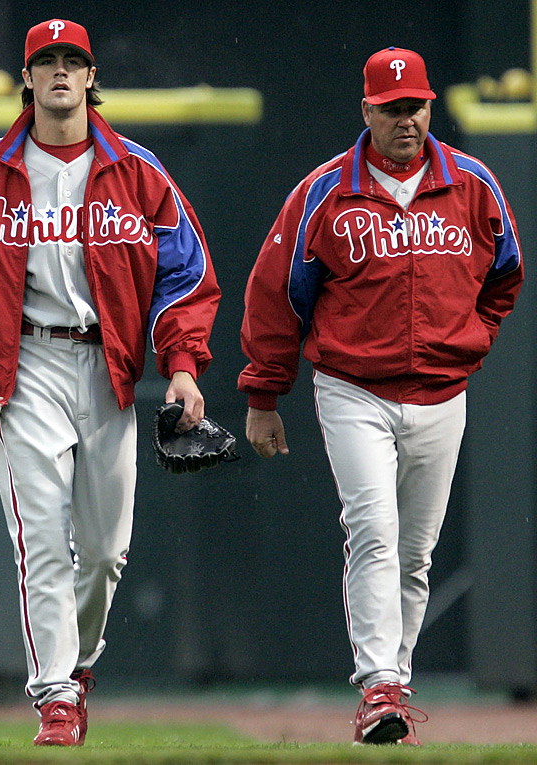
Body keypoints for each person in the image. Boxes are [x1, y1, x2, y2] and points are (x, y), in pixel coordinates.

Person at [0, 19, 220, 746]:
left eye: (71, 61)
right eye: (45, 61)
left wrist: (182, 364)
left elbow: (185, 277)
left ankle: (77, 663)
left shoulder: (139, 172)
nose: (59, 72)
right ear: (27, 78)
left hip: (107, 367)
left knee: (106, 548)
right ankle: (55, 693)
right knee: (43, 539)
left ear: (91, 77)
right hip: (21, 365)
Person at [238, 47, 522, 745]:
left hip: (440, 391)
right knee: (373, 529)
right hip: (353, 386)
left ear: (431, 106)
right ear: (366, 110)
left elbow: (505, 274)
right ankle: (378, 685)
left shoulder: (474, 185)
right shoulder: (325, 192)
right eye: (392, 108)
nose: (407, 119)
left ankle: (392, 683)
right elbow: (276, 295)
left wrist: (472, 337)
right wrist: (265, 393)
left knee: (416, 551)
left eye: (416, 105)